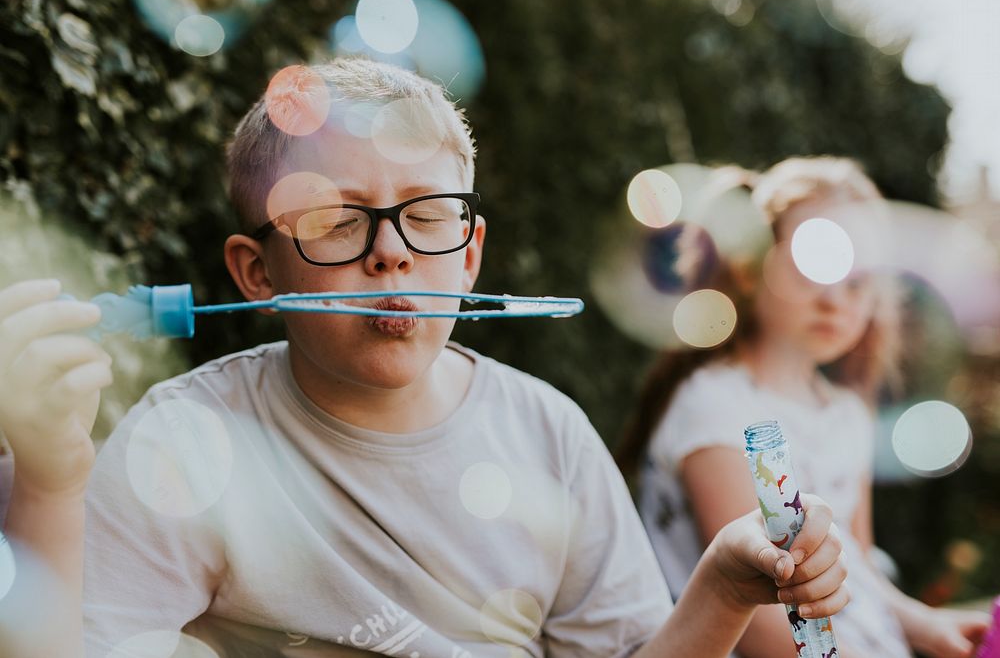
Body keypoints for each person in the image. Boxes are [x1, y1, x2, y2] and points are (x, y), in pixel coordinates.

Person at [0, 58, 849, 658]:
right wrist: (48, 481)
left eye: (428, 213)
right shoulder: (187, 442)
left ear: (471, 254)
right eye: (335, 219)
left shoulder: (548, 435)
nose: (391, 254)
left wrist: (725, 586)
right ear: (257, 272)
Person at [616, 157, 991, 658]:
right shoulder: (716, 407)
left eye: (856, 281)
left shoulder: (845, 413)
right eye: (816, 267)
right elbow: (757, 620)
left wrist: (925, 625)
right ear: (751, 268)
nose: (836, 299)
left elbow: (859, 566)